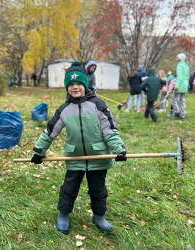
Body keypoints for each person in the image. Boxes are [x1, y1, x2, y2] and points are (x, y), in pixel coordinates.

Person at [30, 61, 126, 235]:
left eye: (78, 84)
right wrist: (39, 151)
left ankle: (99, 216)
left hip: (99, 157)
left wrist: (118, 149)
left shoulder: (98, 104)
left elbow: (109, 129)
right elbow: (50, 131)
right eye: (71, 84)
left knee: (98, 190)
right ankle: (64, 214)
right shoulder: (64, 109)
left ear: (85, 85)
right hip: (74, 158)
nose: (75, 87)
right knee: (69, 188)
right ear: (67, 87)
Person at [171, 53, 189, 119]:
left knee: (174, 100)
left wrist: (176, 86)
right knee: (182, 101)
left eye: (177, 57)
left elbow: (180, 76)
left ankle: (177, 113)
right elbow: (187, 76)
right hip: (184, 85)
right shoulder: (186, 65)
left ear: (180, 58)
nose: (176, 57)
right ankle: (182, 114)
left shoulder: (179, 66)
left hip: (179, 86)